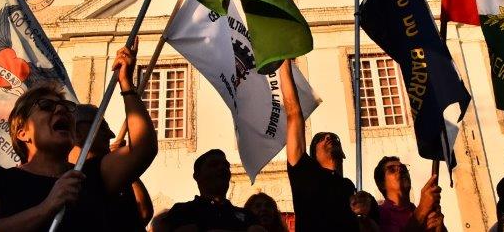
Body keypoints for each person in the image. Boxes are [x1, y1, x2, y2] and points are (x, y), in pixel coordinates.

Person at [0, 41, 157, 232]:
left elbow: (142, 148)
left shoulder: (90, 176)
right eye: (46, 107)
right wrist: (46, 208)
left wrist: (127, 84)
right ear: (22, 132)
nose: (61, 111)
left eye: (66, 108)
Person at [279, 60, 374, 232]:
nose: (329, 137)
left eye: (335, 138)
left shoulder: (349, 187)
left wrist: (364, 216)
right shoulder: (303, 171)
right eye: (321, 139)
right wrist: (283, 62)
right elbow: (293, 113)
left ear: (343, 154)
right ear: (312, 154)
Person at [69, 103, 153, 230]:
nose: (111, 134)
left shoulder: (110, 172)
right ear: (77, 132)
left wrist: (127, 169)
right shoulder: (65, 179)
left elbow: (143, 212)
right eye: (101, 127)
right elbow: (144, 147)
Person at [156, 149, 261, 232]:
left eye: (226, 165)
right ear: (197, 176)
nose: (222, 168)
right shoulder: (181, 211)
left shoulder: (247, 215)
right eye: (213, 165)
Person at [372, 156, 445, 232]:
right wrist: (421, 211)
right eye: (392, 170)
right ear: (382, 184)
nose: (400, 170)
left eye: (403, 168)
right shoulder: (378, 215)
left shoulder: (418, 211)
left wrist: (440, 229)